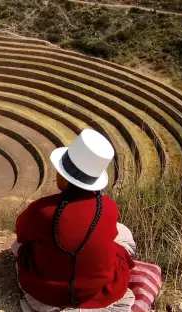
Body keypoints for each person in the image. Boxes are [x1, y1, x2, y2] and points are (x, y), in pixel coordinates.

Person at [13, 129, 137, 312]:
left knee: (17, 247)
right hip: (98, 295)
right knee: (122, 233)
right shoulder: (108, 207)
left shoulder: (42, 210)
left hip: (44, 297)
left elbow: (22, 235)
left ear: (64, 177)